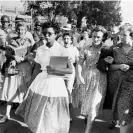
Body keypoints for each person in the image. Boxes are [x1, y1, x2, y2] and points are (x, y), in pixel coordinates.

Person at [15, 22, 72, 133]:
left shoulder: (61, 50)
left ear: (56, 34)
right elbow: (37, 68)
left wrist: (55, 70)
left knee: (52, 113)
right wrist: (30, 85)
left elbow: (69, 70)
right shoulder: (40, 49)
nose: (47, 36)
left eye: (50, 33)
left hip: (56, 84)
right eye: (45, 33)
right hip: (41, 82)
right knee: (38, 111)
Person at [73, 26, 108, 133]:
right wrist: (79, 75)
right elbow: (79, 63)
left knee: (93, 106)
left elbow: (111, 63)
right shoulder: (86, 47)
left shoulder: (106, 49)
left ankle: (87, 130)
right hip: (86, 77)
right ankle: (88, 118)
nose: (96, 39)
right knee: (87, 104)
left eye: (98, 37)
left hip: (100, 79)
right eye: (94, 36)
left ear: (103, 38)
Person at [0, 23, 32, 123]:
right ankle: (7, 114)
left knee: (24, 89)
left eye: (22, 29)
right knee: (10, 88)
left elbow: (30, 54)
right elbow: (7, 53)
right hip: (12, 67)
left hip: (24, 68)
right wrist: (14, 57)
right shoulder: (11, 40)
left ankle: (25, 114)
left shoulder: (29, 42)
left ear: (25, 30)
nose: (20, 31)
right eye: (18, 29)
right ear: (16, 30)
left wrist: (22, 59)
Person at [108, 25, 133, 133]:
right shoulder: (114, 49)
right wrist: (120, 66)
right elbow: (109, 66)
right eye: (120, 34)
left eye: (125, 35)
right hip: (119, 85)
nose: (121, 37)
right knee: (124, 113)